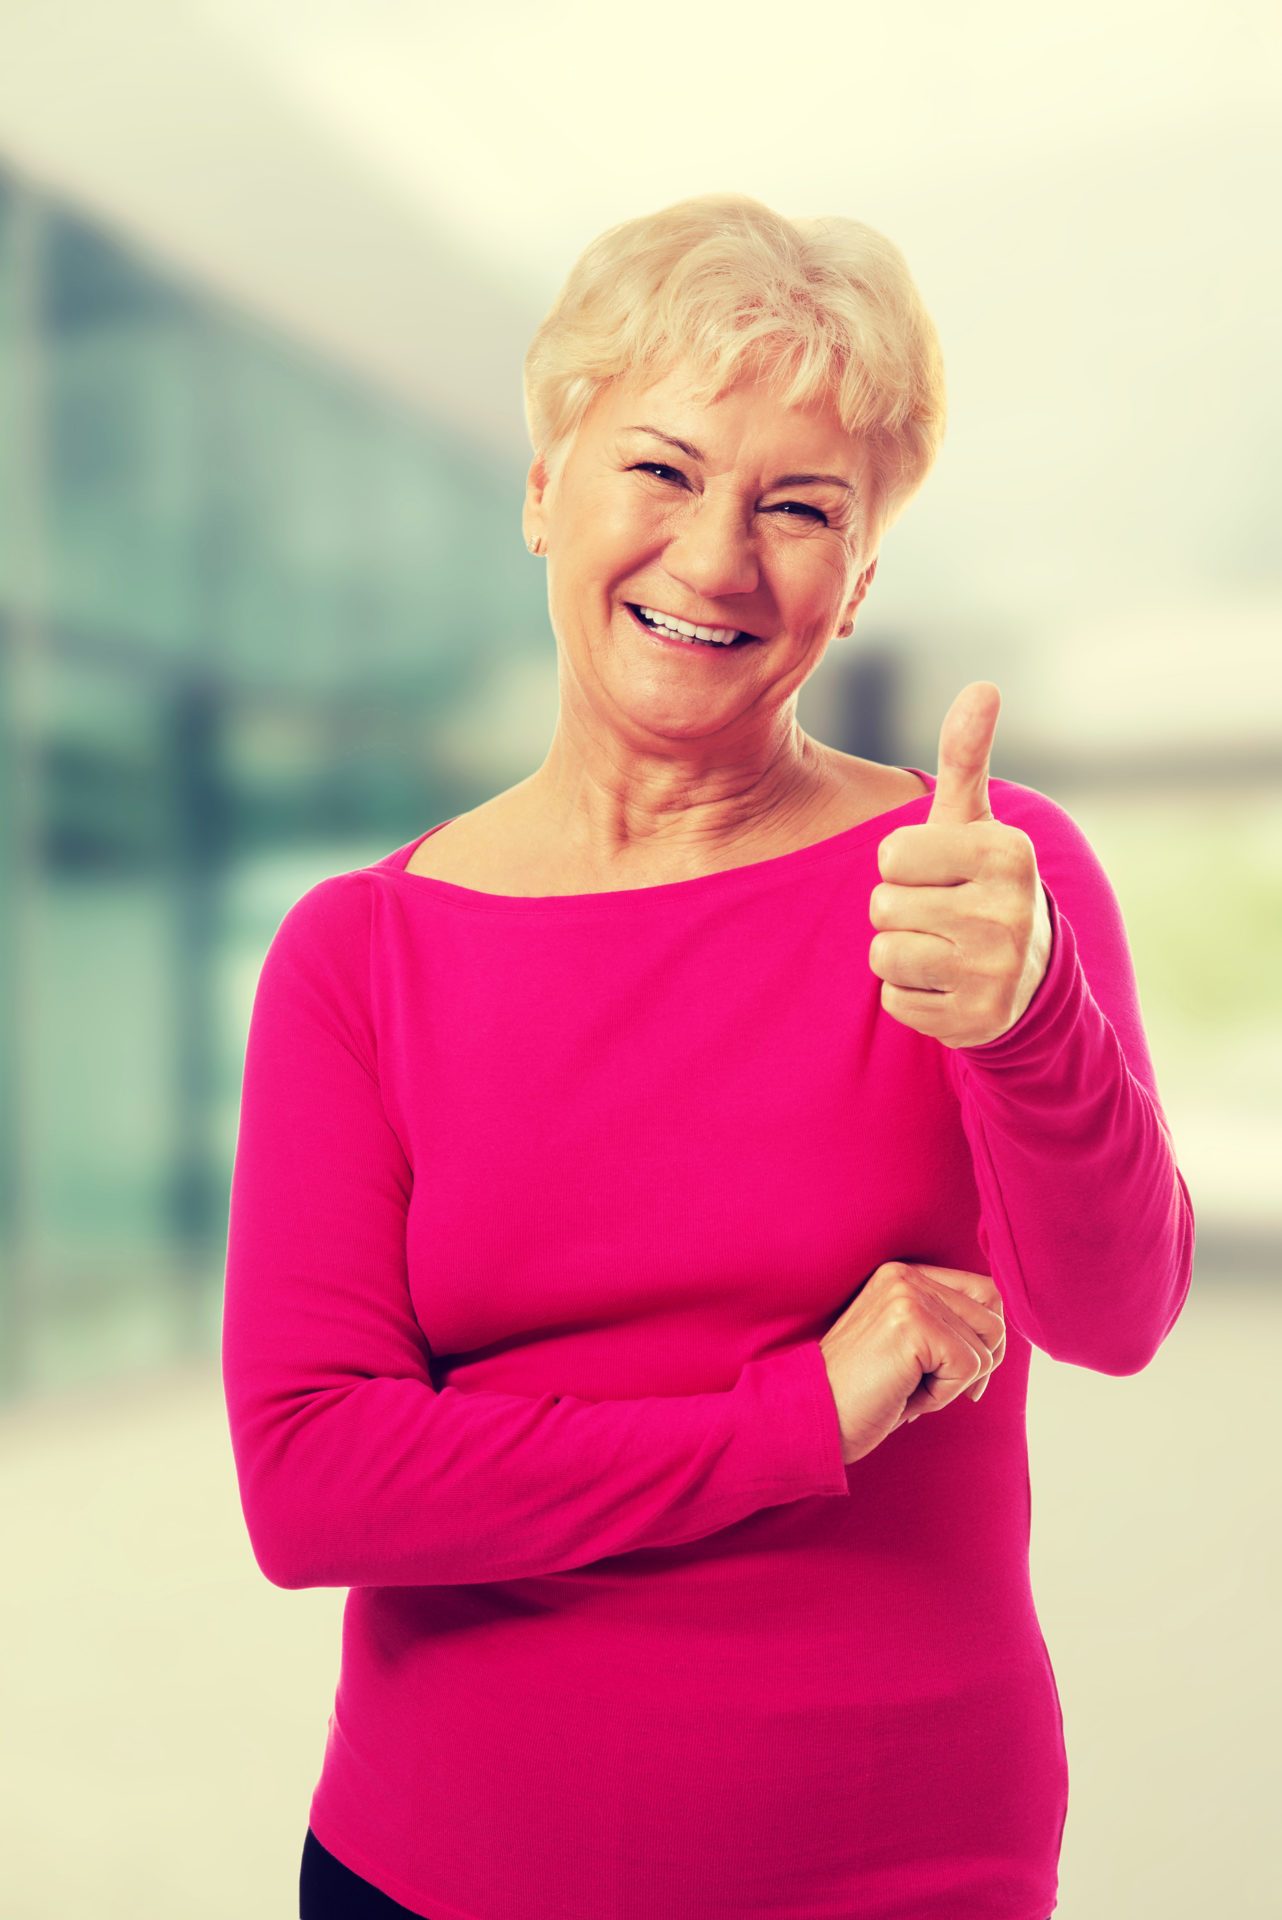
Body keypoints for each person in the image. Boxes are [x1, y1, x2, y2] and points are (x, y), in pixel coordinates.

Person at [221, 191, 1194, 1920]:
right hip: (438, 1866)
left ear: (861, 577)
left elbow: (1112, 1318)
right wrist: (795, 1417)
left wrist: (1033, 1019)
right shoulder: (358, 957)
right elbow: (312, 1484)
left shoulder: (974, 888)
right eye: (661, 469)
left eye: (799, 506)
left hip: (903, 1861)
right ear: (541, 491)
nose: (717, 556)